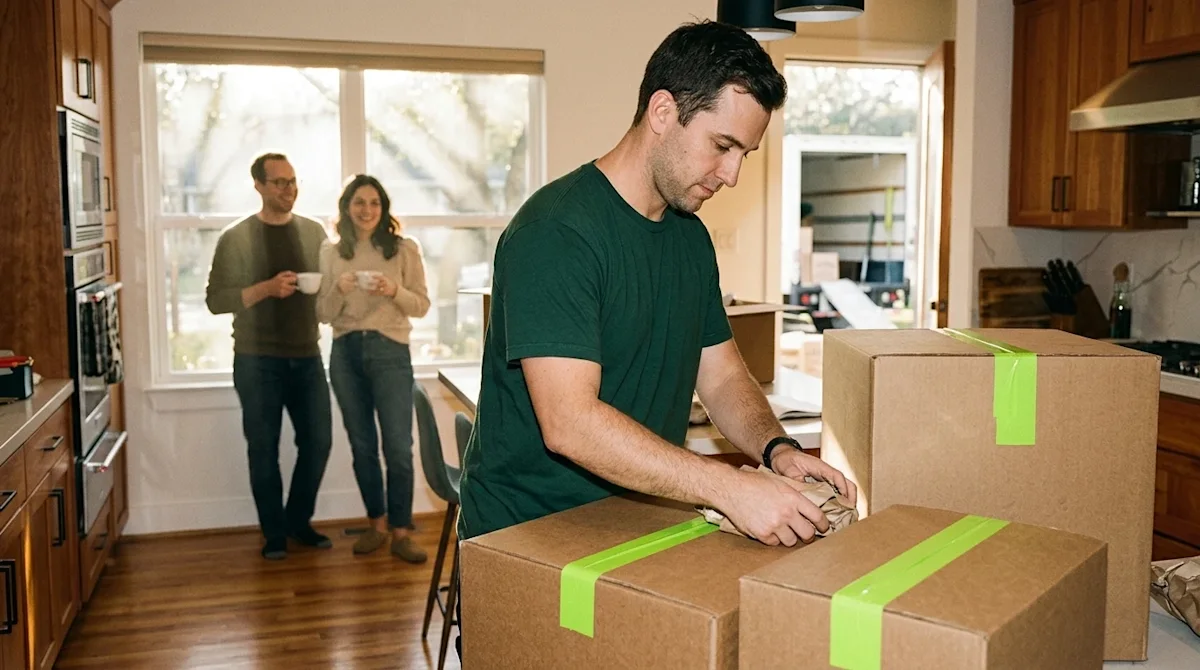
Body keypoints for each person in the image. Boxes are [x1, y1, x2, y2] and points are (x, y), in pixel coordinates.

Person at [459, 20, 858, 550]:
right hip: (526, 539)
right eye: (722, 145)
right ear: (663, 112)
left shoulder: (690, 237)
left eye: (744, 154)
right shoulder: (556, 232)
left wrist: (775, 449)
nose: (732, 174)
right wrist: (727, 488)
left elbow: (721, 377)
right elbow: (569, 422)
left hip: (635, 526)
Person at [205, 152, 334, 560]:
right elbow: (215, 300)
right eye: (279, 182)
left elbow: (327, 286)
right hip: (256, 359)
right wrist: (266, 288)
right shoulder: (237, 237)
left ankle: (297, 521)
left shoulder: (313, 232)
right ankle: (274, 533)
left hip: (307, 355)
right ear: (258, 186)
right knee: (263, 450)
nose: (289, 190)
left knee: (319, 442)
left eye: (292, 181)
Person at [317, 174, 431, 563]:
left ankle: (401, 532)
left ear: (383, 209)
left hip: (390, 352)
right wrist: (339, 289)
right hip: (345, 353)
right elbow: (322, 313)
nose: (367, 210)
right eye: (359, 202)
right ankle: (376, 526)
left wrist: (393, 290)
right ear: (346, 208)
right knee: (362, 446)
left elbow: (422, 305)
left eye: (374, 203)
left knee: (398, 447)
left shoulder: (404, 249)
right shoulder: (331, 252)